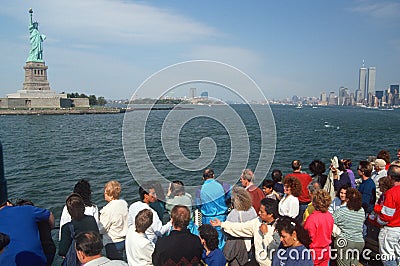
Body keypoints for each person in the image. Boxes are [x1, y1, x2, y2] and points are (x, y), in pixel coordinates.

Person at [211, 198, 281, 266]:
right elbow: (241, 227)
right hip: (257, 261)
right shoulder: (257, 222)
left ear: (270, 214)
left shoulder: (279, 226)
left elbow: (275, 248)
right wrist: (222, 224)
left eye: (262, 212)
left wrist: (265, 234)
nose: (259, 213)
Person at [0, 198, 55, 266]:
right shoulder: (27, 209)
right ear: (8, 203)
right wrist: (49, 229)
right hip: (36, 261)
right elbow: (49, 215)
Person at [59, 193, 99, 262]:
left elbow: (62, 251)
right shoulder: (91, 219)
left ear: (69, 211)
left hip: (78, 260)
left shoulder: (67, 227)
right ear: (83, 207)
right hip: (94, 256)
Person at [223, 186, 257, 265]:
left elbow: (226, 231)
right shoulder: (252, 209)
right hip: (251, 244)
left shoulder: (234, 213)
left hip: (238, 247)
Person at [196, 168, 229, 249]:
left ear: (203, 178)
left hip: (207, 218)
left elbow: (198, 205)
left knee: (208, 241)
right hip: (221, 217)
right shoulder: (223, 185)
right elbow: (229, 197)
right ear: (213, 176)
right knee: (222, 240)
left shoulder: (199, 189)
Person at [333, 188, 365, 266]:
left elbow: (330, 222)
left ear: (347, 199)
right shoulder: (362, 211)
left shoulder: (341, 211)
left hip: (345, 242)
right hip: (359, 242)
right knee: (354, 263)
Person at [99, 180, 128, 260]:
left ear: (111, 195)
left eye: (105, 193)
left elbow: (102, 229)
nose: (104, 194)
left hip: (113, 242)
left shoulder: (107, 210)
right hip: (125, 239)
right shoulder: (123, 203)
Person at [377, 164, 400, 266]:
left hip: (391, 230)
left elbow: (386, 217)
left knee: (388, 259)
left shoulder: (391, 193)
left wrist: (377, 219)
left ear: (390, 177)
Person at [303, 190, 333, 266]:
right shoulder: (329, 216)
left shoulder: (312, 218)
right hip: (326, 250)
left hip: (314, 251)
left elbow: (306, 236)